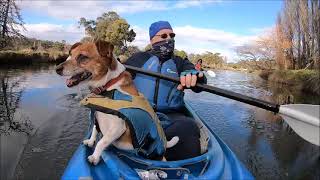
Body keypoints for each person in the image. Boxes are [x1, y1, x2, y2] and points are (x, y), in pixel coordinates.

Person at [125, 21, 206, 160]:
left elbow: (199, 83)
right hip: (140, 112)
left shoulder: (180, 62)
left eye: (172, 35)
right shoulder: (137, 59)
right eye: (163, 35)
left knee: (188, 127)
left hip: (171, 116)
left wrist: (195, 77)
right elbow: (117, 77)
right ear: (152, 40)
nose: (169, 39)